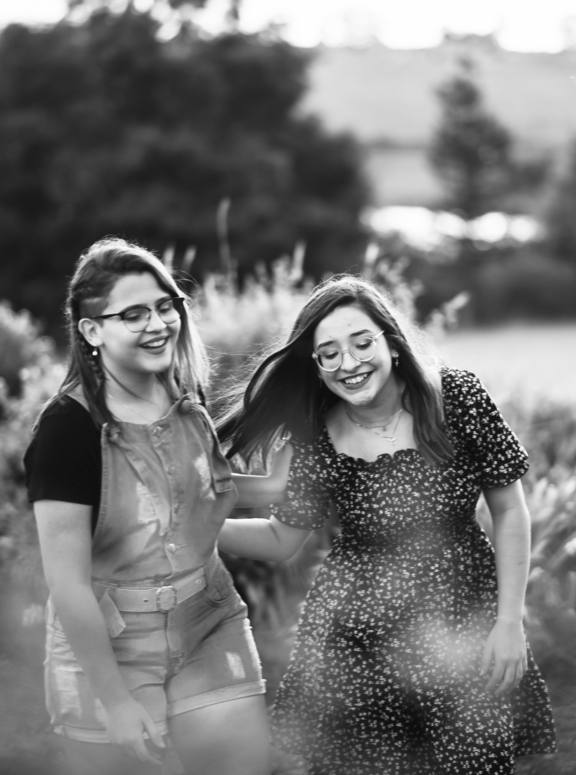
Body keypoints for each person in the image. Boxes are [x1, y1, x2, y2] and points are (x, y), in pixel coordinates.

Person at [216, 275, 556, 774]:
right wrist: (201, 530)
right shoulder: (316, 434)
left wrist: (508, 622)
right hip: (355, 641)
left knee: (474, 759)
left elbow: (508, 511)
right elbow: (280, 537)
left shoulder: (457, 397)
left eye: (361, 343)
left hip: (462, 620)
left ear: (392, 343)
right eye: (329, 353)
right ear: (316, 366)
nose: (348, 363)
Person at [23, 238, 270, 775]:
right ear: (92, 331)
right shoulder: (67, 431)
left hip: (208, 619)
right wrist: (115, 702)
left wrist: (297, 487)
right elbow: (67, 582)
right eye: (134, 314)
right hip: (112, 647)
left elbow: (195, 491)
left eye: (165, 307)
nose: (158, 324)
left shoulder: (181, 397)